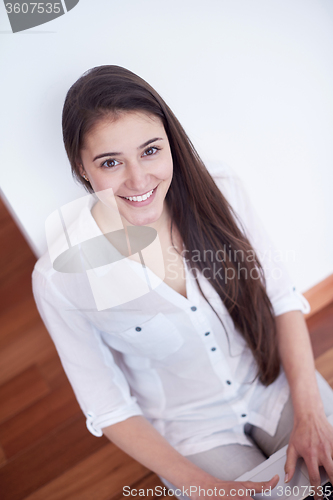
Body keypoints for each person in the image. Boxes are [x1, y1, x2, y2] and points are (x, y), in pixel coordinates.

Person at [32, 65, 333, 500]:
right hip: (192, 433)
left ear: (170, 142)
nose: (138, 180)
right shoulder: (60, 279)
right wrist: (204, 487)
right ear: (80, 167)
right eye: (111, 162)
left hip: (275, 385)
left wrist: (310, 416)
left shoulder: (223, 190)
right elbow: (109, 406)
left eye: (150, 151)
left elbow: (280, 299)